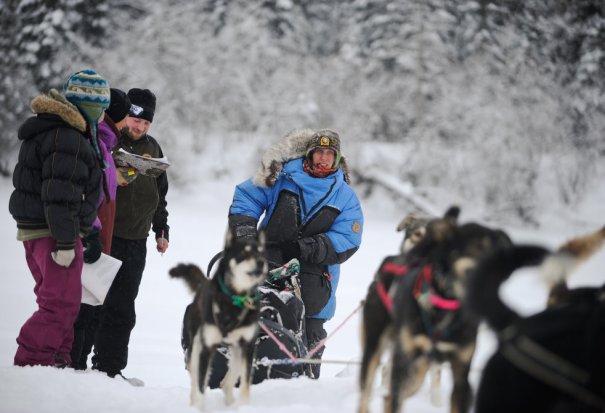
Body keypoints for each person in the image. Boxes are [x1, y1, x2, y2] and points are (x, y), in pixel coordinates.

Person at [228, 128, 363, 378]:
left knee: (308, 350)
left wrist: (304, 248)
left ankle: (304, 389)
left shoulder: (345, 197)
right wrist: (246, 236)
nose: (323, 158)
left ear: (337, 158)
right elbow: (247, 197)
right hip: (267, 265)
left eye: (329, 154)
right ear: (309, 154)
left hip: (314, 281)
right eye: (319, 152)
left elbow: (348, 238)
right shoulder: (282, 176)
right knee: (253, 322)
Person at [9, 69, 109, 367]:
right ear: (91, 108)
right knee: (60, 304)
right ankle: (33, 363)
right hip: (54, 233)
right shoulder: (67, 138)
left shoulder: (61, 132)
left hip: (45, 230)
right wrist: (66, 241)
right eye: (102, 109)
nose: (104, 115)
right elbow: (60, 195)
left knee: (62, 301)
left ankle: (57, 360)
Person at [91, 88, 170, 379]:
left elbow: (159, 197)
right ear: (126, 116)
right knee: (93, 303)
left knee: (123, 310)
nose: (140, 127)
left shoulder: (154, 149)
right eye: (136, 120)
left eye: (147, 123)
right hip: (105, 238)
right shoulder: (107, 140)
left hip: (136, 242)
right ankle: (76, 364)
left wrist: (162, 229)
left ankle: (109, 370)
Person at [70, 88, 132, 370]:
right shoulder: (96, 143)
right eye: (125, 116)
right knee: (82, 308)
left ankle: (77, 366)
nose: (128, 123)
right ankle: (72, 365)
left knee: (90, 306)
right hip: (89, 236)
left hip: (98, 236)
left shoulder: (104, 144)